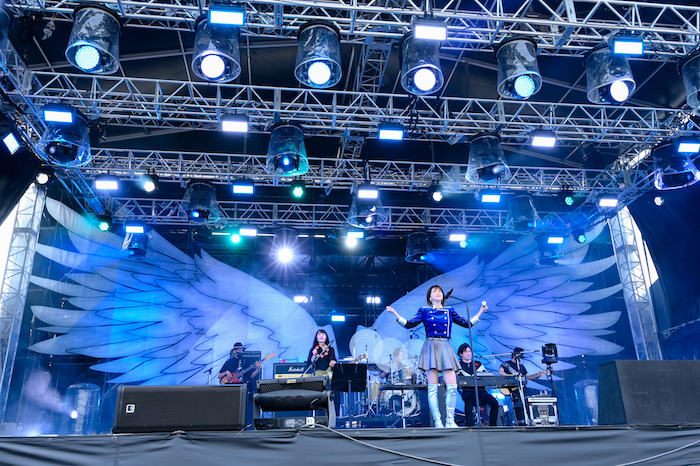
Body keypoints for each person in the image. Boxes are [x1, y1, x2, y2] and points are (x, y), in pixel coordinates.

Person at [386, 285, 487, 428]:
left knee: (452, 387)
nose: (438, 293)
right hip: (431, 346)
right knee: (433, 388)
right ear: (429, 297)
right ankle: (438, 421)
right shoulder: (424, 310)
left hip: (445, 345)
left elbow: (467, 324)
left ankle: (450, 420)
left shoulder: (450, 310)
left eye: (440, 291)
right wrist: (394, 313)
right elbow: (409, 324)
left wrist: (481, 311)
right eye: (435, 291)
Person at [498, 347, 545, 425]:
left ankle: (526, 421)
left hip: (521, 388)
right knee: (517, 404)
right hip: (511, 387)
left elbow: (529, 377)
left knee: (525, 403)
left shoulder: (521, 367)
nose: (520, 358)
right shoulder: (507, 364)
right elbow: (500, 372)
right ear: (514, 355)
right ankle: (519, 422)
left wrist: (537, 376)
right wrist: (510, 377)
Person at [457, 343, 499, 427]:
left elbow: (485, 375)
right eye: (466, 352)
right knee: (468, 399)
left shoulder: (478, 364)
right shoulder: (458, 365)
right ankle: (470, 425)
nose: (468, 353)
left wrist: (491, 376)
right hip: (468, 391)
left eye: (469, 351)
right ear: (461, 354)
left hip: (481, 391)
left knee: (494, 403)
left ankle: (493, 424)